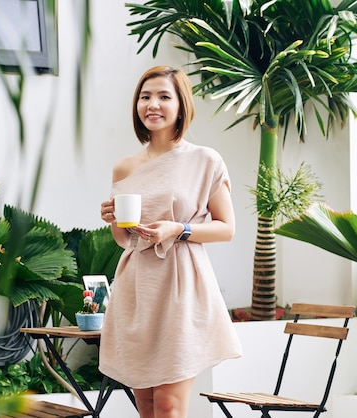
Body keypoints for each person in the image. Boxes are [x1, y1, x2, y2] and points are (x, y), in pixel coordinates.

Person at [98, 66, 242, 418]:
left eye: (164, 96)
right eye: (145, 96)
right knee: (145, 404)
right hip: (137, 287)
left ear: (181, 105)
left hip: (182, 285)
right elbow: (124, 240)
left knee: (169, 405)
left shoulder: (204, 160)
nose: (153, 104)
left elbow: (226, 228)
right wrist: (113, 220)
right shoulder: (124, 167)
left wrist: (178, 230)